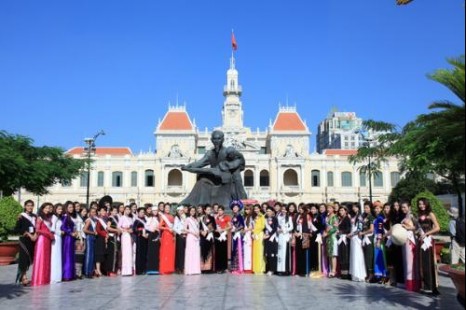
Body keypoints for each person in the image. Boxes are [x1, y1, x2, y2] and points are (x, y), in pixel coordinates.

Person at [181, 130, 247, 207]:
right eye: (214, 139)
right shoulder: (210, 153)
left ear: (223, 139)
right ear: (212, 140)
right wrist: (187, 166)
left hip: (226, 179)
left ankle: (239, 200)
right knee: (202, 180)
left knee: (235, 175)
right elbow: (199, 163)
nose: (216, 141)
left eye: (218, 139)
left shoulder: (227, 151)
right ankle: (201, 205)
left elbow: (239, 161)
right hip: (214, 176)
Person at [416, 198, 440, 294]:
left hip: (428, 241)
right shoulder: (419, 215)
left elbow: (438, 227)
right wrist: (417, 232)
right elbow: (418, 228)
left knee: (429, 263)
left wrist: (426, 234)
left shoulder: (430, 214)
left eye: (423, 204)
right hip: (421, 241)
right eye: (419, 204)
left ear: (426, 204)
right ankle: (425, 286)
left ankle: (431, 286)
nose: (421, 206)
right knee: (423, 263)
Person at [31, 202, 54, 286]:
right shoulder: (39, 218)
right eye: (46, 208)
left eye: (49, 208)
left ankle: (45, 278)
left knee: (46, 259)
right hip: (41, 239)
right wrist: (48, 233)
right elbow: (37, 230)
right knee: (41, 258)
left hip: (47, 240)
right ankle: (38, 279)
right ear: (42, 208)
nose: (48, 209)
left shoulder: (48, 218)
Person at [14, 200, 37, 286]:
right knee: (24, 259)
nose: (30, 207)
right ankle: (24, 277)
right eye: (28, 205)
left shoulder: (35, 216)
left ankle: (22, 276)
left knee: (29, 259)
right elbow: (16, 229)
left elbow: (37, 227)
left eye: (31, 205)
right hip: (24, 240)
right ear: (25, 206)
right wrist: (27, 233)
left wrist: (35, 234)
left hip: (32, 240)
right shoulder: (21, 216)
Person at [400, 201, 420, 292]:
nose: (403, 209)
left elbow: (418, 227)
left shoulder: (412, 216)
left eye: (404, 207)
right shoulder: (406, 216)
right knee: (407, 262)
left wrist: (408, 228)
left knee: (411, 262)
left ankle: (413, 284)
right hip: (405, 240)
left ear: (409, 207)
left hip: (411, 240)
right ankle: (408, 283)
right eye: (402, 207)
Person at [349, 203, 366, 282]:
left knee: (358, 254)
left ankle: (360, 275)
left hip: (356, 237)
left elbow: (359, 228)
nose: (354, 208)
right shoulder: (354, 216)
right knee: (353, 255)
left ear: (358, 208)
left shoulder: (360, 217)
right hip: (353, 237)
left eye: (355, 207)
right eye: (353, 207)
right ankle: (354, 274)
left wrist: (352, 234)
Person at [61, 201, 76, 281]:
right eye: (70, 207)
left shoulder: (70, 216)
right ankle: (66, 275)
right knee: (67, 256)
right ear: (66, 208)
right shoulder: (65, 216)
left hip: (71, 238)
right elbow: (63, 227)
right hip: (67, 238)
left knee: (71, 255)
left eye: (72, 207)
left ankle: (70, 274)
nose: (72, 209)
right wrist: (70, 232)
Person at [277, 204, 293, 275]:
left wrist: (284, 230)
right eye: (282, 209)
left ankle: (286, 270)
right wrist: (278, 230)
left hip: (285, 236)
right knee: (280, 253)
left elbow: (291, 227)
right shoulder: (279, 217)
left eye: (285, 209)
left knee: (286, 253)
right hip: (280, 236)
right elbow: (277, 225)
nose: (284, 211)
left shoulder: (289, 218)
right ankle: (280, 269)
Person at [184, 207, 201, 275]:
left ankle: (196, 270)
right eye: (191, 211)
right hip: (191, 237)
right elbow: (184, 229)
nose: (193, 212)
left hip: (196, 238)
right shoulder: (187, 219)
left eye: (194, 211)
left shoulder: (196, 219)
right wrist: (192, 232)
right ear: (189, 211)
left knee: (196, 253)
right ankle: (190, 270)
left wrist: (198, 233)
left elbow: (198, 228)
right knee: (190, 253)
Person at [373, 202, 388, 283]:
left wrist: (378, 240)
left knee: (381, 257)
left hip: (380, 239)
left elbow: (379, 230)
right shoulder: (378, 218)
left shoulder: (380, 218)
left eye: (378, 208)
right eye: (375, 208)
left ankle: (383, 274)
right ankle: (379, 274)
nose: (376, 210)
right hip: (376, 237)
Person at [159, 203, 176, 275]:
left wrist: (174, 235)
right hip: (166, 235)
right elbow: (160, 226)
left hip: (171, 235)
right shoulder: (163, 217)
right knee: (165, 252)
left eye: (169, 208)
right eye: (166, 208)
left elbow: (175, 226)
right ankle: (164, 268)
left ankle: (170, 268)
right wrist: (168, 228)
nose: (167, 209)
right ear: (164, 209)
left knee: (170, 252)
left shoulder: (172, 216)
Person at [200, 205, 217, 273]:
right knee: (203, 251)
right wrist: (202, 231)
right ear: (205, 210)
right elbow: (200, 227)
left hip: (209, 236)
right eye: (207, 209)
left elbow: (214, 227)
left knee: (210, 251)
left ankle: (209, 268)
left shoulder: (212, 218)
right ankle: (203, 268)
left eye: (210, 210)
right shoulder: (202, 218)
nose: (208, 211)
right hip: (203, 237)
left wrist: (208, 231)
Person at [337, 205, 352, 280]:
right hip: (341, 238)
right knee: (342, 255)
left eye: (342, 210)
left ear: (346, 211)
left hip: (345, 238)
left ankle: (346, 274)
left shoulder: (347, 219)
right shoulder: (341, 219)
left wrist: (341, 231)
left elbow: (349, 229)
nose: (341, 212)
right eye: (340, 210)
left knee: (345, 255)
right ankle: (343, 273)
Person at [118, 206, 134, 276]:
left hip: (129, 235)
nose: (128, 211)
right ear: (124, 210)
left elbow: (132, 227)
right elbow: (118, 226)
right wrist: (124, 230)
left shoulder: (131, 218)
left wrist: (131, 230)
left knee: (129, 252)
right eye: (126, 209)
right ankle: (124, 270)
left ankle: (129, 270)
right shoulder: (122, 218)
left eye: (129, 209)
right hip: (124, 235)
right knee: (125, 252)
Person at [215, 205, 231, 273]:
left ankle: (224, 267)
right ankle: (218, 267)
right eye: (219, 210)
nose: (220, 211)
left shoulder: (226, 217)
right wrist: (216, 230)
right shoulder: (216, 218)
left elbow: (230, 226)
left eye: (221, 210)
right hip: (217, 235)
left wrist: (223, 229)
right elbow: (213, 226)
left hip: (224, 235)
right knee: (218, 251)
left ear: (223, 211)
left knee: (224, 251)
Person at [230, 201, 245, 274]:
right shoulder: (233, 217)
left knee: (238, 250)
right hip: (234, 235)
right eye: (233, 207)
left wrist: (235, 229)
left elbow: (242, 225)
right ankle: (234, 267)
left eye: (236, 207)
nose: (235, 209)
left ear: (239, 208)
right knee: (234, 250)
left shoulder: (240, 216)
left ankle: (239, 268)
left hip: (238, 235)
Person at [146, 206, 161, 275]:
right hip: (152, 235)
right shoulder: (150, 218)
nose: (155, 212)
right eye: (154, 211)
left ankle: (156, 268)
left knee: (156, 251)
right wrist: (153, 229)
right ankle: (151, 269)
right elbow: (146, 226)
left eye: (156, 211)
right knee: (151, 251)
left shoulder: (159, 219)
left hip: (157, 235)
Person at [106, 206, 121, 277]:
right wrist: (116, 230)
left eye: (116, 211)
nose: (115, 212)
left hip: (116, 237)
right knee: (112, 254)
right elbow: (108, 227)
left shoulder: (117, 219)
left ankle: (114, 269)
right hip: (112, 237)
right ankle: (110, 270)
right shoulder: (110, 218)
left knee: (116, 253)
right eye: (114, 211)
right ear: (111, 212)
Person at [83, 207, 97, 278]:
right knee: (89, 255)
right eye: (92, 212)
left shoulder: (93, 220)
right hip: (89, 237)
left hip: (92, 238)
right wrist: (93, 232)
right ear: (89, 213)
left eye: (94, 212)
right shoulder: (89, 220)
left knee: (91, 255)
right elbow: (84, 230)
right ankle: (87, 272)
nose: (93, 213)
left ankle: (90, 271)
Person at [51, 203, 64, 283]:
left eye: (61, 209)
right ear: (55, 209)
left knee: (58, 256)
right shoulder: (54, 217)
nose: (60, 210)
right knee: (55, 256)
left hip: (59, 238)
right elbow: (52, 229)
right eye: (59, 209)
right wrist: (60, 232)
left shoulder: (59, 218)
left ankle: (58, 276)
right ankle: (54, 277)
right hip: (56, 238)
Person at [133, 207, 148, 275]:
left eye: (143, 212)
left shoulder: (146, 220)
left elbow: (148, 228)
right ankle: (139, 270)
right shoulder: (136, 221)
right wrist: (141, 232)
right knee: (139, 254)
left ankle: (144, 269)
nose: (142, 213)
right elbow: (134, 229)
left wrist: (147, 233)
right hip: (139, 238)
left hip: (145, 239)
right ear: (138, 213)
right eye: (141, 212)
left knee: (145, 253)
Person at [264, 207, 279, 276]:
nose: (268, 212)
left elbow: (275, 228)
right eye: (267, 211)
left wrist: (269, 235)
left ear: (272, 212)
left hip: (272, 238)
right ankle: (268, 268)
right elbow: (264, 228)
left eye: (269, 211)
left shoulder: (275, 218)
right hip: (266, 238)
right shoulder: (265, 219)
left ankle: (272, 269)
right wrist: (264, 234)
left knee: (273, 254)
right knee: (267, 253)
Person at [94, 206, 109, 277]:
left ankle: (102, 269)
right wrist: (105, 234)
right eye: (102, 211)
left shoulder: (106, 219)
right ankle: (98, 269)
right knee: (99, 254)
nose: (104, 212)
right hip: (99, 238)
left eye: (105, 211)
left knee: (103, 254)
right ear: (99, 211)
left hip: (104, 238)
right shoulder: (98, 219)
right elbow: (98, 230)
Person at [325, 204, 338, 278]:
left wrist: (327, 233)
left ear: (333, 209)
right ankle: (330, 270)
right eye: (328, 208)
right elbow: (327, 227)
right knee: (330, 254)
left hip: (332, 237)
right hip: (328, 237)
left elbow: (335, 228)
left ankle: (334, 271)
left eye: (330, 208)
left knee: (333, 254)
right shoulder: (327, 217)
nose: (328, 209)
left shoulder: (335, 217)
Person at [252, 204, 266, 274]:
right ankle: (256, 268)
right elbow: (253, 226)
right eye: (255, 209)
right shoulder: (255, 216)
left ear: (260, 209)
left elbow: (262, 226)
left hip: (259, 234)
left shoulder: (262, 216)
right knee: (256, 251)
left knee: (260, 251)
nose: (256, 210)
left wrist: (256, 232)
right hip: (255, 235)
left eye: (257, 209)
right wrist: (253, 232)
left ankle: (260, 268)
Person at [173, 206, 187, 274]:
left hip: (185, 235)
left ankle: (183, 267)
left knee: (184, 252)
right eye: (179, 211)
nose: (181, 212)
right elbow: (175, 227)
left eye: (182, 210)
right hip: (180, 236)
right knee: (180, 252)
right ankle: (179, 267)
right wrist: (181, 232)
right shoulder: (176, 218)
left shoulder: (185, 217)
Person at [242, 205, 254, 274]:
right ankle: (245, 267)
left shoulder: (251, 217)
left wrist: (246, 230)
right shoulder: (245, 217)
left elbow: (252, 227)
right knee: (246, 251)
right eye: (246, 209)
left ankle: (249, 267)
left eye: (248, 209)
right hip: (245, 234)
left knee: (249, 251)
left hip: (249, 235)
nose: (247, 211)